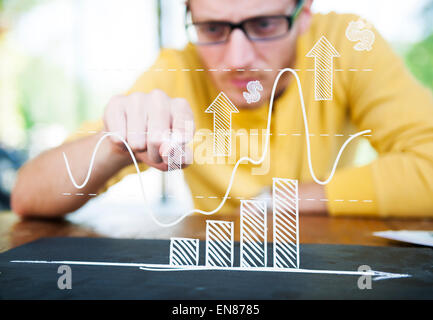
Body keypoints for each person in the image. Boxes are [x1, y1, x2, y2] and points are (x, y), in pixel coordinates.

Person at [11, 0, 433, 219]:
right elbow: (27, 196)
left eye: (264, 24)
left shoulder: (337, 46)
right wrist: (115, 146)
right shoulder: (178, 69)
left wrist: (281, 200)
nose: (237, 57)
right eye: (212, 28)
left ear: (303, 15)